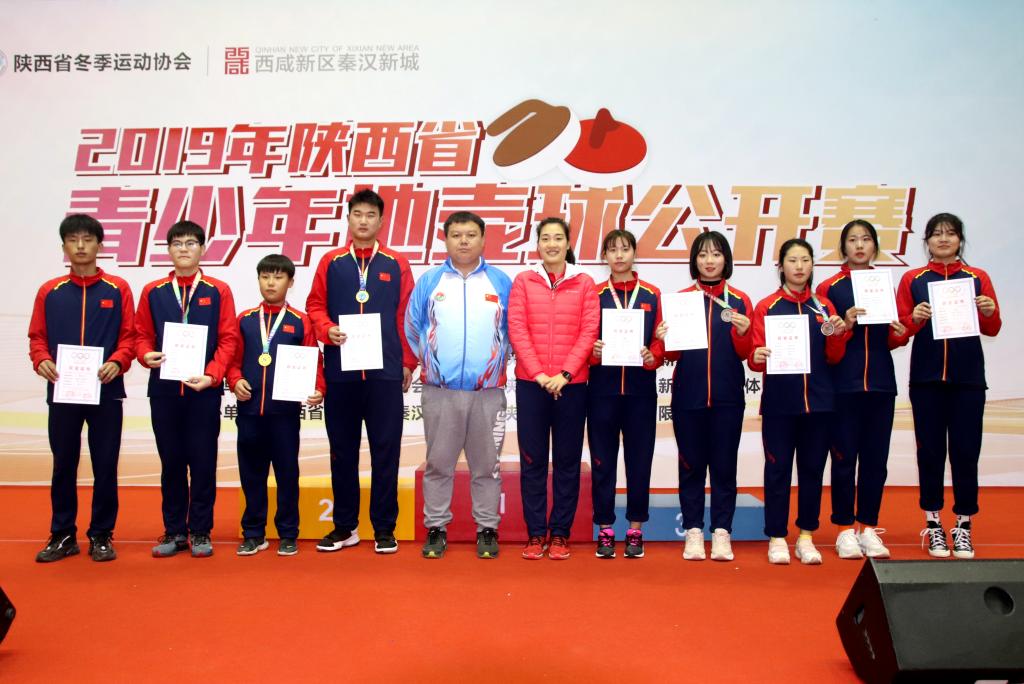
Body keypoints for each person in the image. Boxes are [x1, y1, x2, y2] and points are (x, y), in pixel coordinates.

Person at [306, 189, 416, 554]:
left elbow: (407, 315)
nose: (364, 221)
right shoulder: (331, 262)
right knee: (342, 451)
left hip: (384, 374)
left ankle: (384, 528)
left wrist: (407, 362)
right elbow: (315, 306)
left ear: (381, 221)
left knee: (386, 451)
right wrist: (327, 330)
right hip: (342, 373)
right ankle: (345, 527)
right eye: (358, 214)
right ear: (349, 219)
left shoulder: (396, 263)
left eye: (371, 215)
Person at [28, 214, 135, 562]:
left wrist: (118, 361)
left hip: (106, 391)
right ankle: (62, 534)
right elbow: (37, 337)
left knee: (105, 464)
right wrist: (42, 359)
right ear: (64, 247)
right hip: (63, 390)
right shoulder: (50, 291)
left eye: (87, 239)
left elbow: (129, 337)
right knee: (64, 463)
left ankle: (101, 534)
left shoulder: (117, 289)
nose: (80, 246)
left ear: (99, 245)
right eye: (73, 240)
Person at [405, 211, 512, 559]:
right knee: (438, 464)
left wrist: (493, 365)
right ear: (446, 239)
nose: (463, 241)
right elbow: (412, 327)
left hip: (488, 394)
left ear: (483, 239)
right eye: (456, 235)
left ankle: (487, 529)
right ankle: (436, 528)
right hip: (440, 392)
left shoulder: (500, 282)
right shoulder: (430, 281)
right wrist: (433, 365)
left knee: (487, 466)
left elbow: (513, 331)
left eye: (470, 235)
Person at [896, 213, 1000, 559]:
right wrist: (914, 319)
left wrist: (988, 311)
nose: (943, 239)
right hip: (926, 381)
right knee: (930, 453)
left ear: (960, 240)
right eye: (936, 234)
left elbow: (993, 328)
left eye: (950, 233)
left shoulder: (977, 278)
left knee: (966, 453)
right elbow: (900, 332)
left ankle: (964, 525)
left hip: (968, 381)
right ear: (926, 241)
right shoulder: (913, 279)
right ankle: (934, 523)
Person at [136, 220, 238, 558]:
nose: (184, 249)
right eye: (177, 243)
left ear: (202, 249)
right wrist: (144, 354)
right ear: (168, 250)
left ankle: (201, 530)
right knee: (172, 463)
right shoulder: (153, 291)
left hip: (203, 392)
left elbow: (228, 339)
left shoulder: (217, 290)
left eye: (191, 243)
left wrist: (212, 375)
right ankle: (175, 530)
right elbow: (140, 335)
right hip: (164, 391)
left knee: (203, 462)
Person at [748, 238, 849, 565]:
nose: (799, 266)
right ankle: (777, 536)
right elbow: (755, 357)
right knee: (777, 470)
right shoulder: (767, 306)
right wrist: (757, 355)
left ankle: (806, 535)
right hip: (779, 405)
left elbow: (835, 357)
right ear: (781, 266)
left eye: (805, 260)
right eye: (792, 260)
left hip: (819, 404)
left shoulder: (824, 306)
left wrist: (838, 335)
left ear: (812, 264)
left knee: (812, 471)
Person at [657, 230, 753, 562]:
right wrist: (664, 339)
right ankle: (694, 531)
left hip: (728, 397)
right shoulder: (682, 300)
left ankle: (722, 532)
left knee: (725, 467)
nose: (709, 261)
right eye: (702, 254)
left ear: (726, 259)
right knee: (691, 467)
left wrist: (743, 332)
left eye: (716, 254)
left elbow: (746, 353)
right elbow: (672, 355)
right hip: (689, 397)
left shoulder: (739, 300)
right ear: (694, 261)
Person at [508, 217, 599, 560]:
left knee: (566, 462)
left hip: (572, 386)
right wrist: (539, 374)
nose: (551, 244)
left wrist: (564, 373)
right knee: (532, 461)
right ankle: (535, 534)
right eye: (545, 238)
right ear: (538, 244)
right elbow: (517, 329)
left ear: (567, 243)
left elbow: (589, 331)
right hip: (532, 385)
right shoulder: (524, 281)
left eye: (558, 238)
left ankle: (560, 533)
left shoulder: (584, 283)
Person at [816, 220, 907, 560]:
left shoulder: (885, 285)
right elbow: (823, 338)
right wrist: (844, 326)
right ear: (843, 247)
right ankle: (843, 529)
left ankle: (867, 527)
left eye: (866, 239)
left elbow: (893, 339)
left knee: (875, 461)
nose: (859, 245)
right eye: (852, 240)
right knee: (843, 459)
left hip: (881, 384)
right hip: (843, 385)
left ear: (875, 247)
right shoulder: (829, 287)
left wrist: (901, 332)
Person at [228, 254, 325, 557]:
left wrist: (319, 388)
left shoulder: (300, 321)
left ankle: (288, 533)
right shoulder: (244, 319)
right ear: (258, 280)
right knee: (251, 475)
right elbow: (232, 359)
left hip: (284, 414)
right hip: (249, 412)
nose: (271, 283)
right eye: (265, 277)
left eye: (278, 277)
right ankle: (253, 533)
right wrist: (235, 380)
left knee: (287, 474)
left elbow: (314, 360)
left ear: (290, 282)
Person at [588, 229, 663, 559]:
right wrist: (593, 352)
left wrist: (652, 355)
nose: (619, 255)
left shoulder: (652, 294)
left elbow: (661, 341)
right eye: (612, 249)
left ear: (634, 253)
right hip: (601, 391)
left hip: (640, 393)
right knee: (602, 463)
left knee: (639, 462)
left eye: (625, 249)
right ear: (604, 256)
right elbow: (585, 339)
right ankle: (605, 528)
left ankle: (635, 529)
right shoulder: (594, 294)